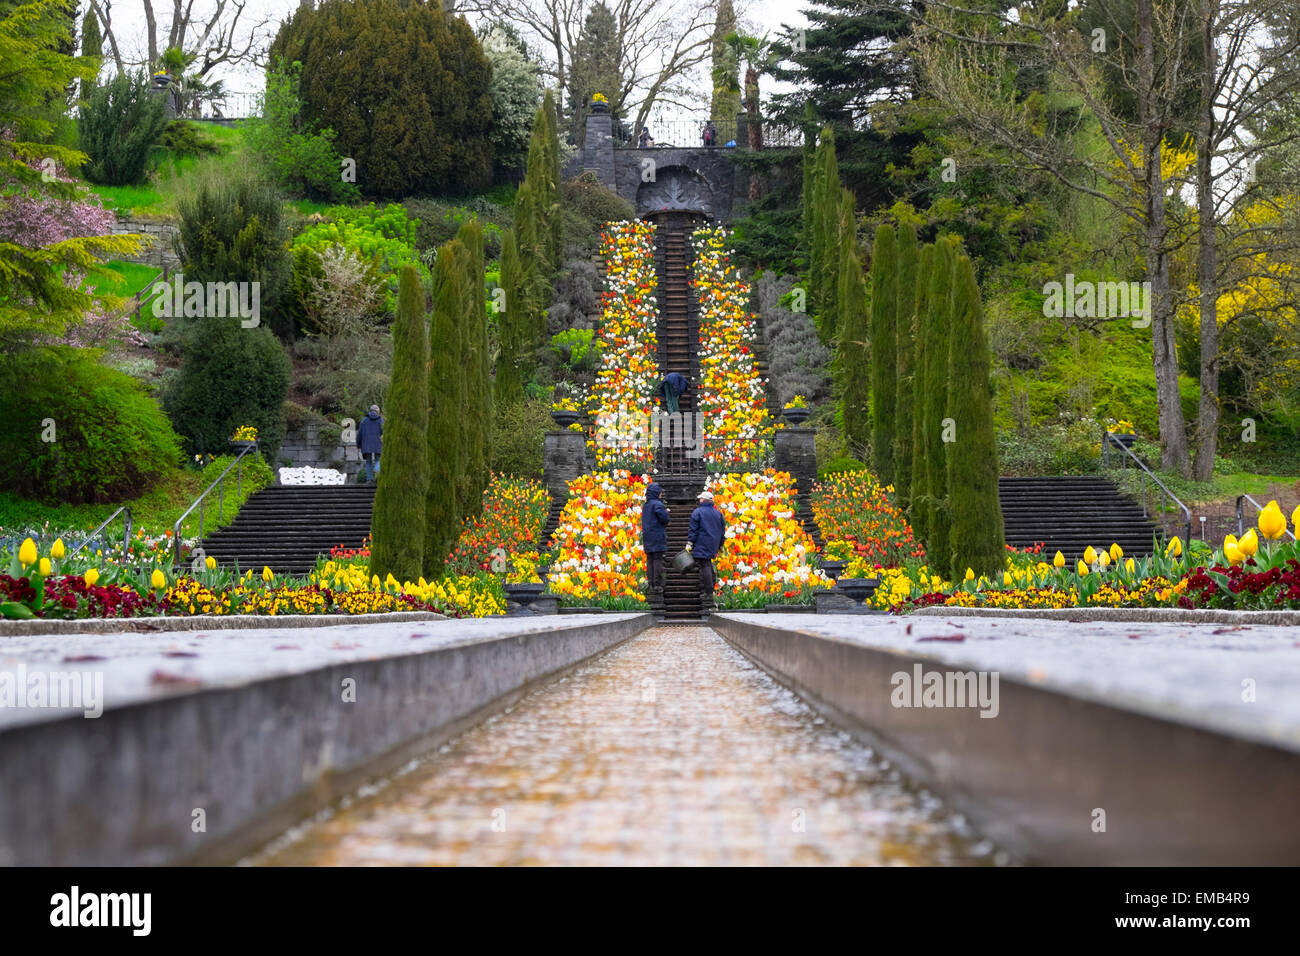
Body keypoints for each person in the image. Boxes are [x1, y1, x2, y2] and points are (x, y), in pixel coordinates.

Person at [686, 489, 727, 607]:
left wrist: (690, 543)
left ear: (704, 500)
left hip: (702, 542)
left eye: (700, 498)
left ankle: (708, 591)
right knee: (707, 564)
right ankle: (709, 588)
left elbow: (693, 529)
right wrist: (720, 544)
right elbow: (721, 530)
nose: (699, 500)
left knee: (705, 565)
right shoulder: (718, 513)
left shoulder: (698, 512)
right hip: (713, 543)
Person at [641, 482, 671, 596]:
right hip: (657, 536)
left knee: (650, 560)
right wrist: (666, 512)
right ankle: (657, 584)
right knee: (657, 559)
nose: (661, 495)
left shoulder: (646, 505)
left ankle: (651, 584)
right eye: (660, 493)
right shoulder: (657, 505)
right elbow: (664, 518)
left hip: (648, 536)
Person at [357, 404, 383, 482]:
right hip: (378, 444)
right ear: (377, 411)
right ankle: (376, 469)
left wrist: (358, 445)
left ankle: (369, 479)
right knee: (378, 460)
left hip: (366, 444)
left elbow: (359, 434)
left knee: (368, 461)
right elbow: (384, 432)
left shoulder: (364, 420)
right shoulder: (381, 420)